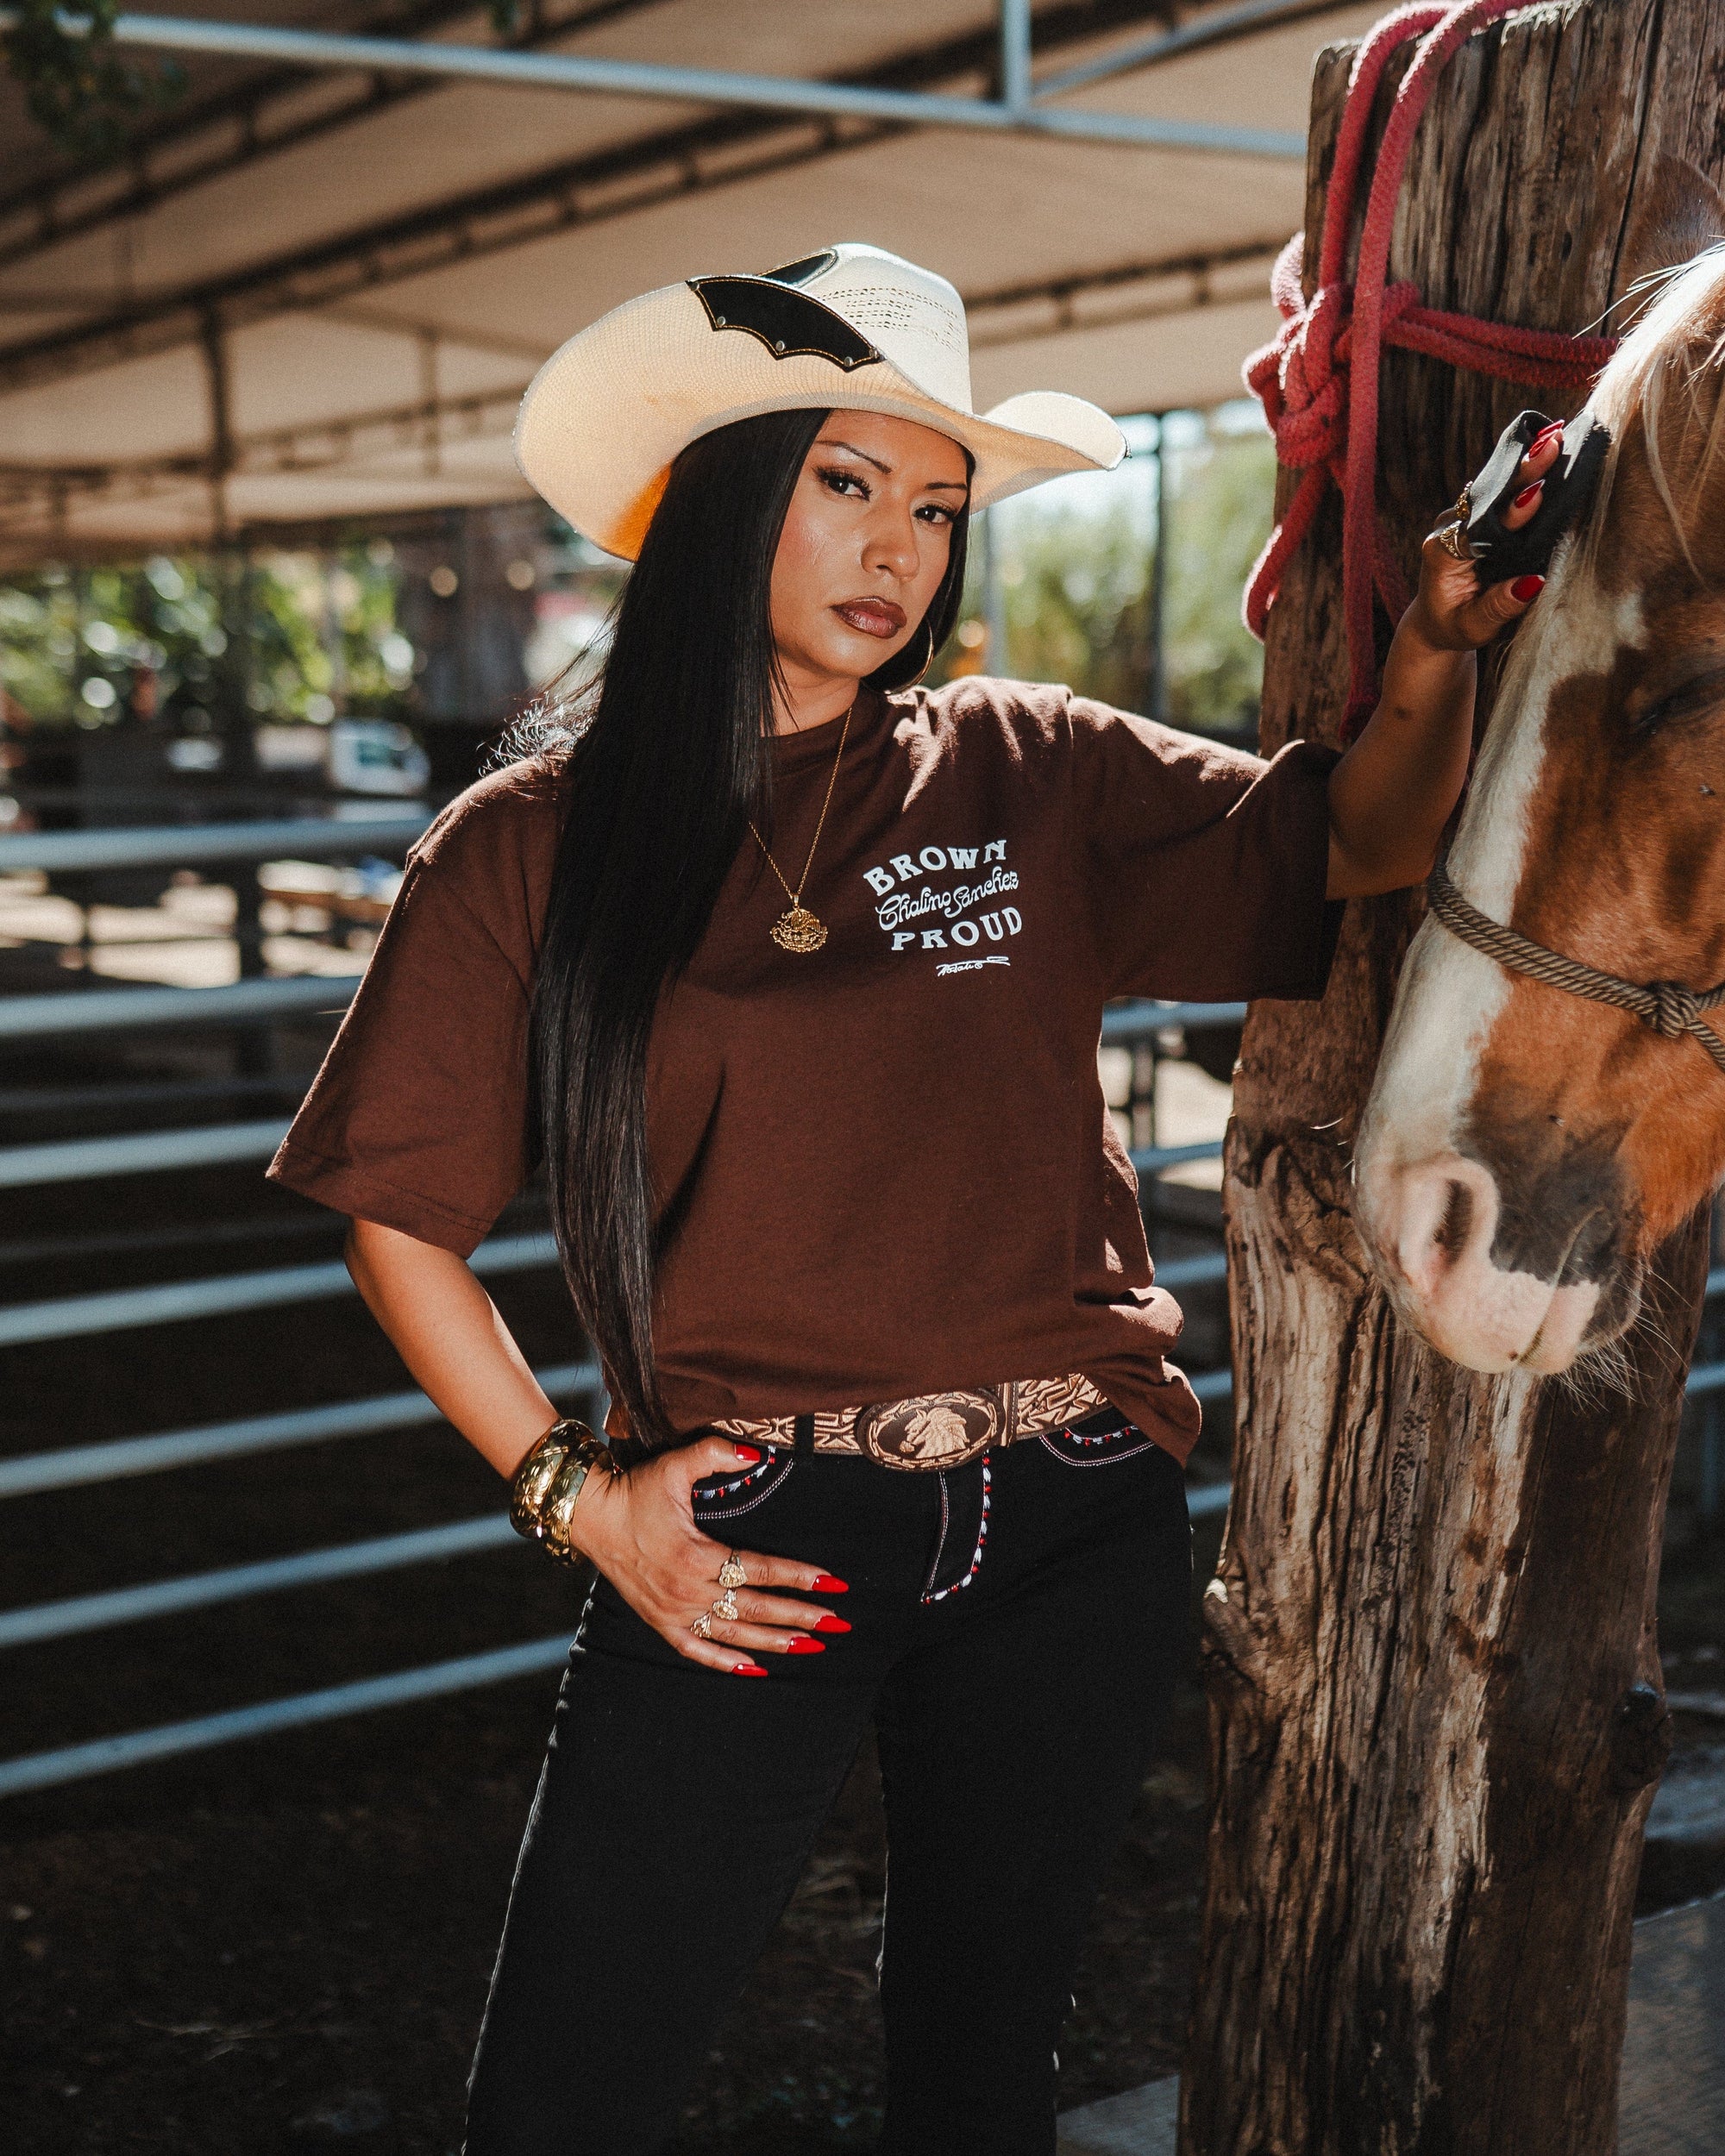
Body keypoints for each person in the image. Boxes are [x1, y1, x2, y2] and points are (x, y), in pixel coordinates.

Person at [267, 243, 1560, 2156]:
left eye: (936, 505)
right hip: (753, 1532)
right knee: (565, 2092)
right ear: (724, 500)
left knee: (979, 2071)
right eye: (846, 482)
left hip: (1066, 1519)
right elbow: (401, 1218)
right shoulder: (529, 845)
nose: (899, 546)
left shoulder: (1021, 768)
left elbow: (1355, 837)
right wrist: (574, 1496)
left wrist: (1443, 642)